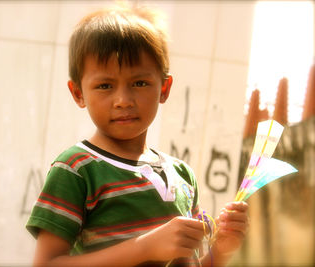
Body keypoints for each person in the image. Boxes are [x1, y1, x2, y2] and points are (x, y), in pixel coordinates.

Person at [26, 4, 249, 267]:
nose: (123, 100)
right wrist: (145, 246)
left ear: (164, 88)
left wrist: (223, 249)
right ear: (78, 93)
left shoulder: (182, 175)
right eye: (105, 85)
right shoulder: (76, 169)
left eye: (139, 83)